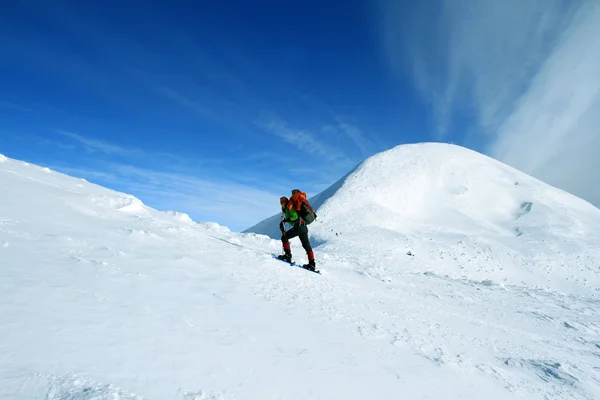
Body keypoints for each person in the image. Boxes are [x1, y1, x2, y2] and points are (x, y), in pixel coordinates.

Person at [277, 194, 316, 271]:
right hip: (303, 227)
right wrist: (284, 222)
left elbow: (294, 217)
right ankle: (312, 264)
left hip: (299, 227)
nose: (282, 204)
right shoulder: (288, 208)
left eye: (282, 203)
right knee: (306, 245)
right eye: (281, 203)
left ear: (284, 202)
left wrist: (285, 220)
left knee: (284, 237)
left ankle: (287, 256)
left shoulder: (289, 207)